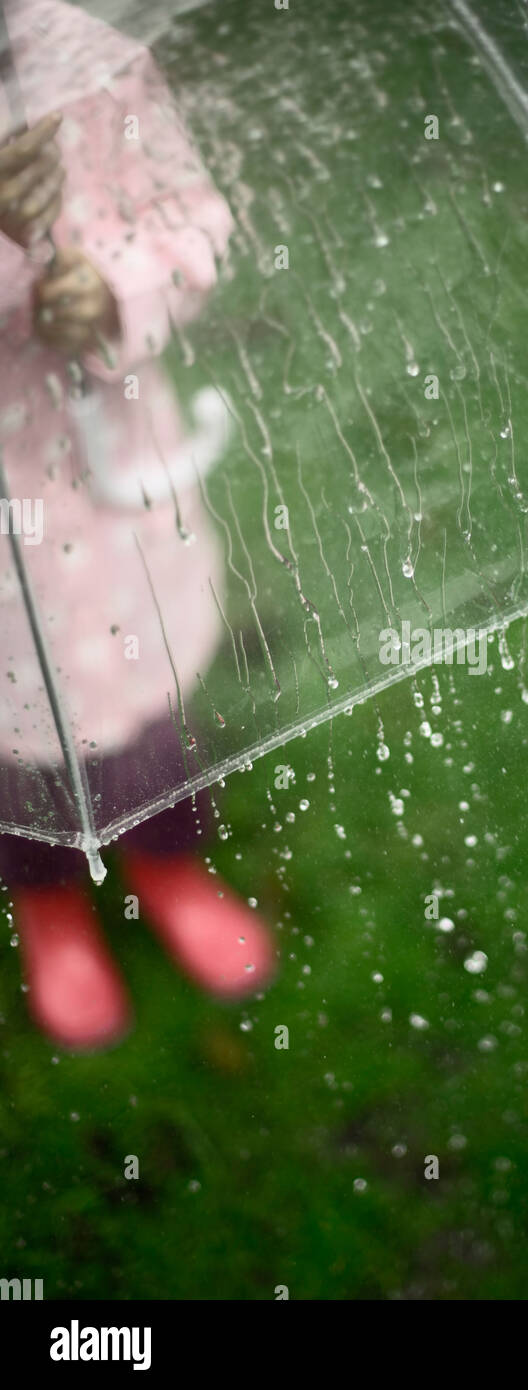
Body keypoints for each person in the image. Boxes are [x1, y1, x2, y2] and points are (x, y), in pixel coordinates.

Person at [0, 0, 274, 1050]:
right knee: (14, 744)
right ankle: (49, 902)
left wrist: (105, 292)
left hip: (104, 488)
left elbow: (185, 221)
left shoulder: (83, 58)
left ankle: (167, 863)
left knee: (142, 709)